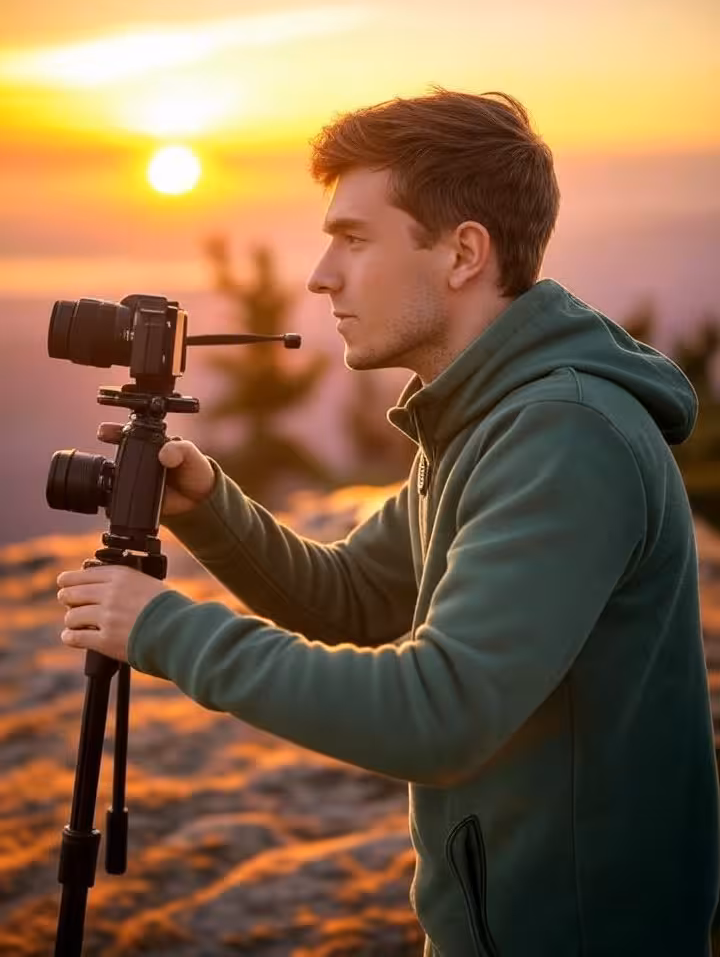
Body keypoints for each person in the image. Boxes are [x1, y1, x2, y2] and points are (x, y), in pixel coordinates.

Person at [56, 89, 720, 955]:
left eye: (354, 238)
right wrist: (212, 510)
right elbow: (360, 598)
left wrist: (166, 632)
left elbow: (439, 714)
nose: (319, 274)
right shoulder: (484, 417)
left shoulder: (563, 437)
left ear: (463, 254)